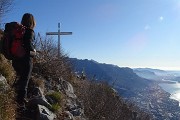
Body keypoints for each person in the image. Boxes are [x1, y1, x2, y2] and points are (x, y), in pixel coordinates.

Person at [12, 13, 36, 107]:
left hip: (15, 59)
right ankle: (20, 105)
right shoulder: (29, 31)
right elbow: (28, 46)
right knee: (24, 82)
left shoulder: (17, 31)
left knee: (19, 78)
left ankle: (14, 97)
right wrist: (34, 52)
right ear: (32, 22)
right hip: (25, 61)